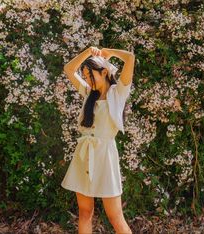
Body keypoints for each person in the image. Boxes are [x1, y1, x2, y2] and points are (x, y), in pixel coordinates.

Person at [61, 46, 135, 234]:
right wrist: (88, 52)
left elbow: (130, 58)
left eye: (89, 75)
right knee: (85, 212)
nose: (87, 80)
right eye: (84, 76)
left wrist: (107, 52)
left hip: (105, 157)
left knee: (115, 216)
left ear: (104, 72)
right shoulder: (88, 93)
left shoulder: (118, 93)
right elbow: (69, 69)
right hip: (84, 155)